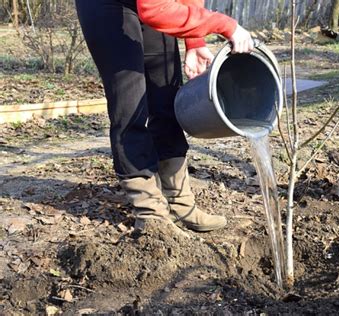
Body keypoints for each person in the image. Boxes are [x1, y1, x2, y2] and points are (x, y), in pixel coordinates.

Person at [75, 0, 254, 234]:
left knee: (167, 98)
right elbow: (153, 9)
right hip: (107, 6)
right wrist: (226, 25)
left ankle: (180, 203)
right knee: (130, 106)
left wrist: (194, 41)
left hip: (154, 3)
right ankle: (150, 213)